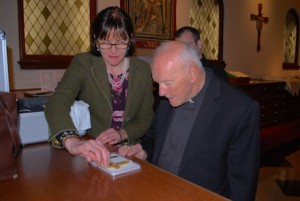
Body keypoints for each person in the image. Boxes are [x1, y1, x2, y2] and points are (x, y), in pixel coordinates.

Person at [118, 41, 260, 201]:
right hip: (157, 189)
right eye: (158, 83)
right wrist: (145, 152)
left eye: (167, 83)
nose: (161, 92)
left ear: (192, 74)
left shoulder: (239, 109)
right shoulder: (169, 97)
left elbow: (242, 182)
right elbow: (153, 137)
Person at [44, 6, 154, 167]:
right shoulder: (84, 63)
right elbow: (57, 101)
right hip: (92, 150)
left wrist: (122, 134)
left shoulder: (143, 70)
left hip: (130, 152)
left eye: (121, 43)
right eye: (106, 43)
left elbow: (146, 118)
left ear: (130, 39)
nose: (114, 50)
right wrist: (72, 141)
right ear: (96, 39)